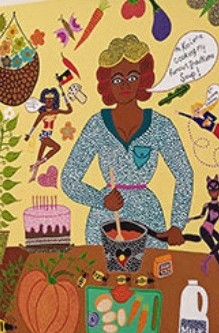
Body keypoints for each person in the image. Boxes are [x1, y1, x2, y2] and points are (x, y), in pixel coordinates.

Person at [61, 34, 193, 250]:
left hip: (148, 219)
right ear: (107, 84)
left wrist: (177, 224)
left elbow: (184, 173)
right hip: (104, 220)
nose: (124, 85)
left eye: (132, 77)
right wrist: (99, 200)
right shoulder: (97, 125)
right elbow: (68, 178)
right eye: (116, 79)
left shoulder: (161, 126)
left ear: (143, 79)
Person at [25, 87, 73, 182]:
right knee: (57, 147)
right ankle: (35, 165)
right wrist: (29, 135)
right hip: (44, 135)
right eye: (47, 100)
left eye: (51, 99)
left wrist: (64, 97)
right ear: (43, 101)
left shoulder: (56, 111)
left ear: (54, 100)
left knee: (39, 156)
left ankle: (34, 175)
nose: (49, 101)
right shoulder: (42, 114)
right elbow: (34, 125)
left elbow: (69, 111)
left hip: (48, 135)